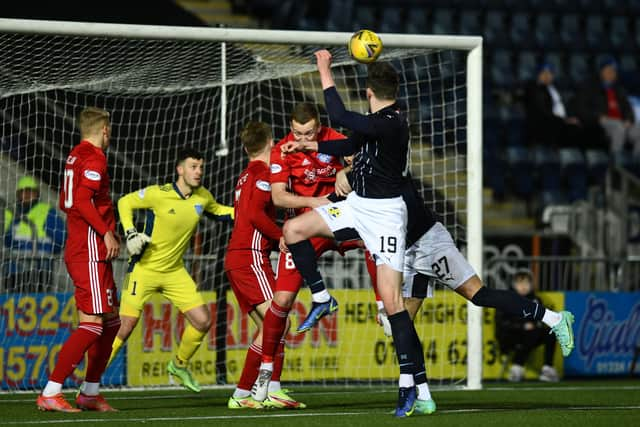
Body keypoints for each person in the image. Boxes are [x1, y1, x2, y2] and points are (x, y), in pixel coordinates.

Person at [260, 50, 429, 418]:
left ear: (369, 92)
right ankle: (321, 297)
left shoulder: (392, 121)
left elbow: (337, 117)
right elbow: (349, 145)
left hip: (385, 216)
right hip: (357, 206)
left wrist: (324, 70)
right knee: (293, 228)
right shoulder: (377, 121)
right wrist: (307, 145)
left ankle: (408, 385)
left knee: (392, 302)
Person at [251, 102, 370, 404]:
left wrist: (347, 169)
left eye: (309, 133)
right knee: (282, 301)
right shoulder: (281, 150)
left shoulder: (336, 139)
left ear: (319, 128)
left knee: (376, 242)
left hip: (338, 222)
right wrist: (319, 202)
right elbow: (278, 198)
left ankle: (385, 308)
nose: (302, 138)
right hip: (304, 230)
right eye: (297, 132)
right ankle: (268, 375)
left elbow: (365, 166)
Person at [107, 148, 233, 393]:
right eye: (193, 167)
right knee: (126, 325)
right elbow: (124, 202)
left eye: (200, 167)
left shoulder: (202, 196)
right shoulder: (159, 193)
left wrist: (249, 211)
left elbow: (220, 212)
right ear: (180, 169)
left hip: (175, 272)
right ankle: (90, 382)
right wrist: (130, 232)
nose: (198, 172)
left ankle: (178, 365)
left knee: (203, 320)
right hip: (144, 269)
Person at [37, 107, 121, 412]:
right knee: (93, 324)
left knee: (111, 323)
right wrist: (105, 232)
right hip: (88, 249)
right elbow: (82, 201)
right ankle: (51, 390)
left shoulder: (74, 156)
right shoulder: (95, 158)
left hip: (89, 247)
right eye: (109, 129)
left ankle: (89, 392)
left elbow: (65, 200)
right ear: (104, 130)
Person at [225, 121, 304, 409]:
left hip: (241, 257)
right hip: (250, 258)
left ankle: (260, 391)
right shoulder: (261, 173)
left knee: (271, 328)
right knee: (279, 321)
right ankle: (253, 392)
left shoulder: (246, 174)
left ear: (245, 147)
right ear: (271, 144)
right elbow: (254, 213)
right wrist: (281, 233)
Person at [495, 269, 559, 382]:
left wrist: (535, 325)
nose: (523, 286)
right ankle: (517, 366)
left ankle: (548, 368)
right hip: (509, 336)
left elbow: (540, 319)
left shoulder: (535, 300)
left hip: (530, 335)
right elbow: (502, 323)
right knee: (530, 331)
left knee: (550, 332)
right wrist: (522, 326)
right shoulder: (506, 299)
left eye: (526, 283)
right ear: (514, 285)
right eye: (520, 283)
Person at [3, 176, 65, 292]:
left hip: (40, 268)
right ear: (18, 195)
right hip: (14, 270)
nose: (26, 195)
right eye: (23, 192)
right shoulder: (10, 212)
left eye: (30, 191)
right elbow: (5, 239)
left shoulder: (47, 211)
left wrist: (42, 249)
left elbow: (60, 239)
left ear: (36, 194)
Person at [574, 56, 640, 159]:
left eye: (614, 71)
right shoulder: (589, 87)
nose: (612, 73)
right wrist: (598, 117)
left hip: (621, 123)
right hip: (600, 122)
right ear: (602, 71)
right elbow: (582, 109)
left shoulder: (619, 89)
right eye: (609, 70)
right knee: (618, 127)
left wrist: (628, 119)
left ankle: (635, 164)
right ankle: (616, 163)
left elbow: (628, 109)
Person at [523, 62, 583, 149]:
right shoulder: (535, 89)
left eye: (549, 73)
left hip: (559, 122)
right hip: (545, 125)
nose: (547, 76)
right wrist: (564, 120)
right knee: (572, 130)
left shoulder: (555, 88)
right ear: (538, 75)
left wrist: (571, 118)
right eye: (544, 73)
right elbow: (543, 111)